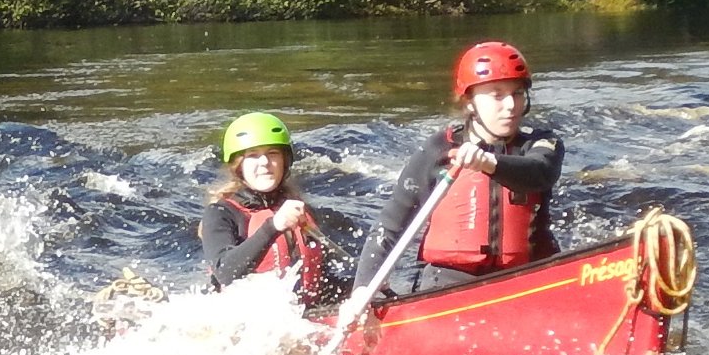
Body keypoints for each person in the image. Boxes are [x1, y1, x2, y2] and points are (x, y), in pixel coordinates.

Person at [370, 42, 565, 297]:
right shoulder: (437, 149)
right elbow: (389, 227)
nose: (511, 105)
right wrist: (363, 290)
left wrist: (487, 162)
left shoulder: (542, 143)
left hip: (529, 279)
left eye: (517, 93)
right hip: (448, 284)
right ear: (470, 102)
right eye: (497, 95)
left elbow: (540, 172)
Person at [199, 110, 351, 315]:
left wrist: (363, 286)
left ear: (284, 162)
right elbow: (225, 272)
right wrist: (273, 226)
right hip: (241, 319)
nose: (264, 162)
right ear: (239, 166)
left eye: (272, 153)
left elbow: (322, 281)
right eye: (253, 155)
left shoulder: (299, 210)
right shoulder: (220, 213)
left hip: (301, 315)